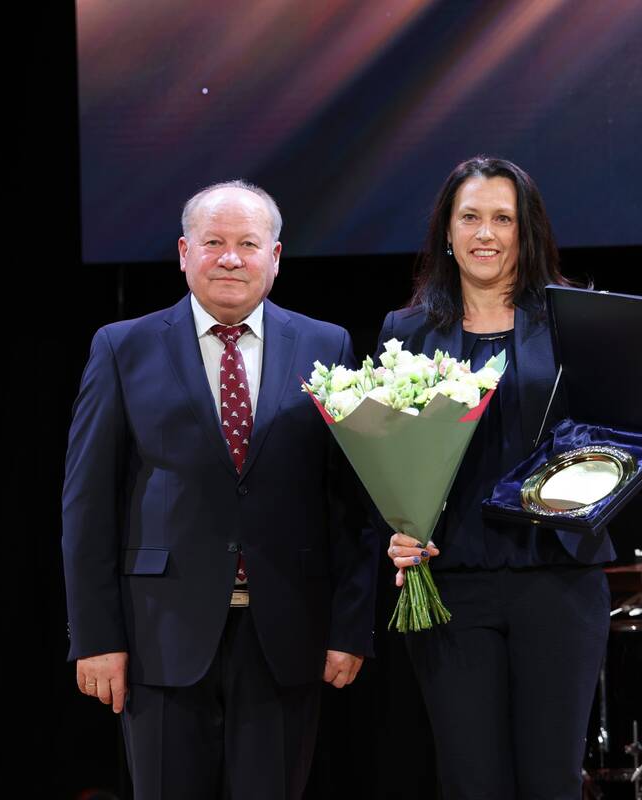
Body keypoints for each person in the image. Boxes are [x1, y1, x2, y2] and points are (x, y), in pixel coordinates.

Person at [381, 156, 642, 798]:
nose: (486, 233)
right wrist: (394, 527)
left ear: (526, 232)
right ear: (447, 231)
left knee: (551, 782)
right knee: (470, 782)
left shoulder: (575, 319)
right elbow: (386, 458)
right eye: (470, 217)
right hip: (451, 584)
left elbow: (618, 436)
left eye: (503, 219)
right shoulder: (406, 332)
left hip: (559, 579)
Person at [61, 181, 377, 799]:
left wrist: (351, 627)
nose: (230, 258)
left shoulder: (326, 345)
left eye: (248, 244)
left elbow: (351, 504)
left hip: (287, 635)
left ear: (275, 257)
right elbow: (87, 505)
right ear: (185, 253)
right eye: (213, 243)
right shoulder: (122, 347)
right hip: (158, 638)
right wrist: (96, 638)